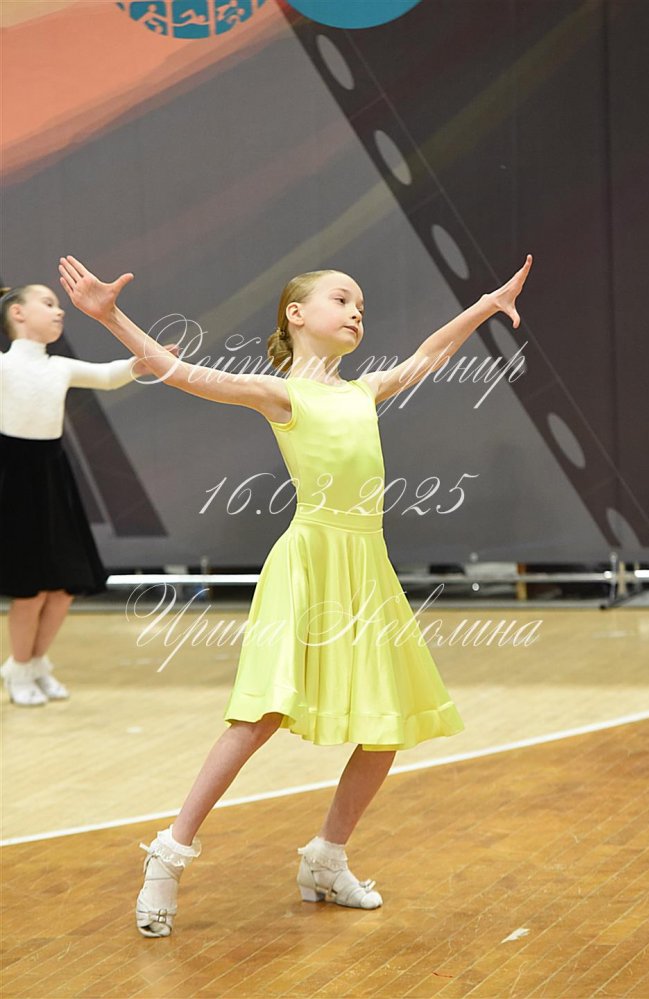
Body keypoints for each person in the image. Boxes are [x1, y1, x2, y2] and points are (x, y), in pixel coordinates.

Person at [58, 250, 533, 936]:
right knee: (261, 712)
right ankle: (169, 853)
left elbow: (431, 351)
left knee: (388, 724)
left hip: (366, 565)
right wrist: (111, 317)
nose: (356, 312)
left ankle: (326, 858)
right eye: (342, 299)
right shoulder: (279, 393)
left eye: (362, 306)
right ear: (297, 314)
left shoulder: (364, 390)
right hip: (309, 560)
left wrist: (485, 305)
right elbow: (180, 372)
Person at [0, 283, 177, 707]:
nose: (59, 311)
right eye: (48, 303)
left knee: (64, 587)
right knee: (30, 591)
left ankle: (35, 664)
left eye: (59, 305)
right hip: (15, 482)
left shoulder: (59, 367)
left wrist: (140, 364)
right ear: (18, 314)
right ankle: (19, 669)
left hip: (53, 477)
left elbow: (108, 376)